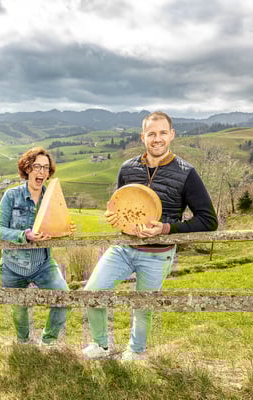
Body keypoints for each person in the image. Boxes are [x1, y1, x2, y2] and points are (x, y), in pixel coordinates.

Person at [82, 111, 218, 361]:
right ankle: (101, 345)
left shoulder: (187, 173)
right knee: (93, 291)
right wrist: (115, 218)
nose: (157, 139)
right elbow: (121, 206)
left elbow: (208, 220)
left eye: (163, 133)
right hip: (124, 247)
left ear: (172, 135)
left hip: (158, 254)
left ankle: (135, 352)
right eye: (151, 133)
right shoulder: (127, 168)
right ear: (142, 136)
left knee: (143, 307)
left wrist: (165, 229)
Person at [0, 146, 73, 345]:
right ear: (27, 169)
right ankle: (24, 343)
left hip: (43, 264)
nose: (41, 172)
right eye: (37, 166)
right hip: (12, 266)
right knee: (20, 311)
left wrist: (65, 228)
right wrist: (24, 235)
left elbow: (57, 227)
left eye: (46, 168)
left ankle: (48, 341)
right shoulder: (12, 196)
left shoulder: (50, 198)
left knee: (64, 299)